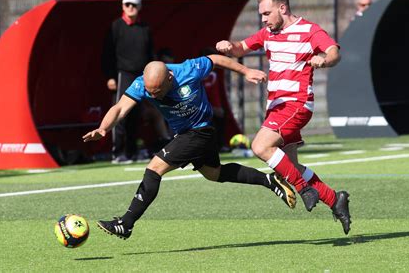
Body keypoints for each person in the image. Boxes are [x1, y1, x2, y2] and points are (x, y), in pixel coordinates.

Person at [83, 54, 297, 239]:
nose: (154, 96)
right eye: (151, 92)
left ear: (169, 77)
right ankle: (269, 180)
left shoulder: (189, 70)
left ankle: (126, 224)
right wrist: (103, 128)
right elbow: (120, 108)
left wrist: (246, 70)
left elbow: (216, 59)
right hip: (188, 134)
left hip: (200, 131)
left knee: (154, 168)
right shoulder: (142, 84)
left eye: (157, 91)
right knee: (214, 173)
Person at [216, 0, 351, 235]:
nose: (264, 19)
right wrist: (228, 46)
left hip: (296, 104)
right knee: (288, 165)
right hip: (277, 107)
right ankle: (334, 199)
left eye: (267, 13)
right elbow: (241, 48)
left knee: (259, 147)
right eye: (261, 15)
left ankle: (304, 188)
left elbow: (334, 52)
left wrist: (324, 60)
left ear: (282, 8)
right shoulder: (267, 33)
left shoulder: (309, 31)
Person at [101, 0, 155, 164]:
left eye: (134, 5)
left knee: (135, 114)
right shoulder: (116, 27)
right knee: (120, 112)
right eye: (127, 4)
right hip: (122, 74)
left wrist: (151, 75)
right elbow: (107, 54)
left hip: (141, 75)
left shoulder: (145, 28)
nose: (131, 8)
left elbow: (150, 54)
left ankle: (131, 151)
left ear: (139, 7)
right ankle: (118, 153)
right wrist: (110, 76)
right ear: (123, 6)